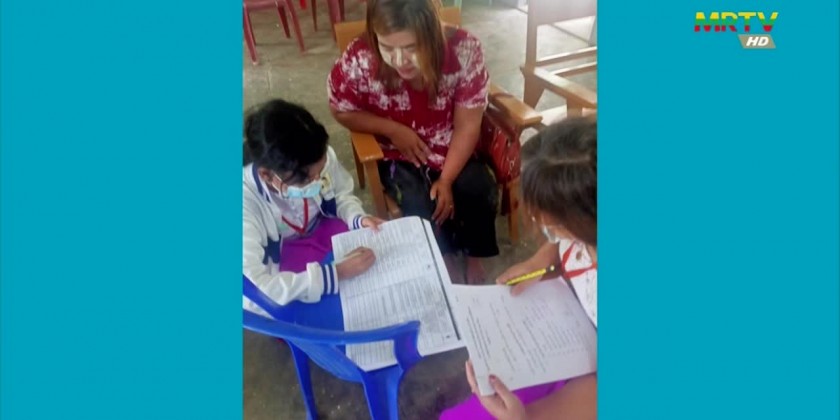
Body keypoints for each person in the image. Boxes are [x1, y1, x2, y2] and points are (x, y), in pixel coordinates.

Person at [327, 0, 498, 284]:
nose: (399, 60)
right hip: (397, 153)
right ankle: (442, 255)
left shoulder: (464, 49)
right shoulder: (360, 56)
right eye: (387, 47)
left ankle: (474, 256)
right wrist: (392, 130)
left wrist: (446, 179)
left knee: (478, 187)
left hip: (451, 144)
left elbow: (468, 125)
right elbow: (341, 108)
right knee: (418, 202)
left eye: (411, 47)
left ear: (433, 35)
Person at [441, 116, 598, 420]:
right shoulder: (580, 233)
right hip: (561, 344)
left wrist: (527, 417)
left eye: (555, 222)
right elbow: (562, 245)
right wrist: (539, 262)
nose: (540, 225)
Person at [242, 99, 385, 315]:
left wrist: (357, 217)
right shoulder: (244, 203)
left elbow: (340, 193)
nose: (318, 180)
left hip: (322, 228)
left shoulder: (315, 157)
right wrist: (334, 274)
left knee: (371, 277)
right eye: (306, 179)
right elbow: (252, 293)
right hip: (281, 256)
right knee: (319, 313)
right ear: (267, 175)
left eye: (321, 171)